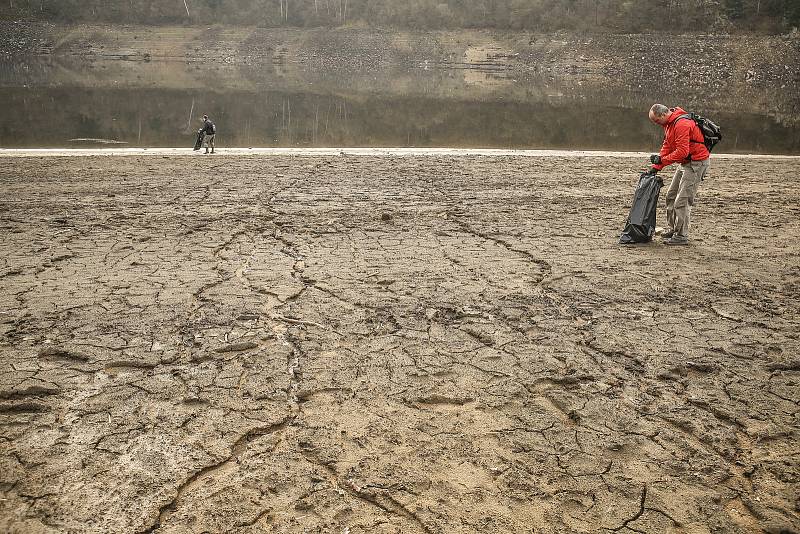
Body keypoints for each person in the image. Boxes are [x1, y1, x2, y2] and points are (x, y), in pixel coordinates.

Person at [647, 104, 710, 246]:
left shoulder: (681, 124)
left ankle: (681, 236)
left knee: (682, 200)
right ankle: (673, 228)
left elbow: (682, 151)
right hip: (685, 163)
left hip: (696, 164)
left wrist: (662, 160)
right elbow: (668, 146)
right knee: (670, 196)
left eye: (657, 121)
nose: (657, 124)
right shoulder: (669, 124)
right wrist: (656, 167)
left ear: (663, 115)